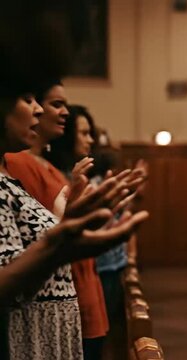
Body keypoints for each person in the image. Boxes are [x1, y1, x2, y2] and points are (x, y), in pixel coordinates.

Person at [0, 87, 148, 359]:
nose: (39, 109)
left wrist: (71, 223)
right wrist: (59, 243)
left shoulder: (12, 174)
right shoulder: (20, 165)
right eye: (28, 99)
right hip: (29, 335)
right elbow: (12, 277)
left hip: (54, 325)